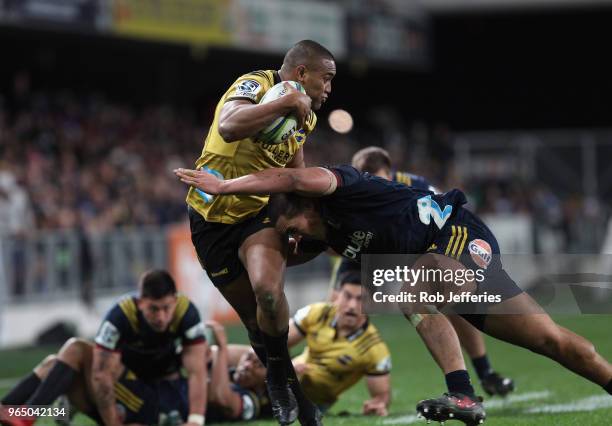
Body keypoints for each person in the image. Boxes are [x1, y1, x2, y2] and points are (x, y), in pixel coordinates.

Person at [174, 164, 612, 425]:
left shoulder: (338, 186)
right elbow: (282, 270)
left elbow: (289, 175)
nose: (290, 243)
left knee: (409, 288)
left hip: (458, 234)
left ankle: (463, 393)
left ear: (305, 207)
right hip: (435, 262)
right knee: (551, 340)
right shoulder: (321, 238)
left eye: (290, 231)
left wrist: (226, 186)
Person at [185, 39, 335, 425]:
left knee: (268, 293)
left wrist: (301, 215)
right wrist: (284, 102)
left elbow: (294, 171)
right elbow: (229, 126)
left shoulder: (308, 119)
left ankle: (281, 386)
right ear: (301, 73)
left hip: (257, 216)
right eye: (326, 78)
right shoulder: (255, 83)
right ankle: (289, 388)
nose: (329, 88)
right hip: (209, 220)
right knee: (254, 322)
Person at [329, 146, 515, 398]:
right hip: (365, 251)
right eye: (366, 180)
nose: (371, 186)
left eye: (378, 180)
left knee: (454, 305)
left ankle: (484, 373)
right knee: (340, 301)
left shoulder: (415, 185)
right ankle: (327, 372)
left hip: (413, 249)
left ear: (391, 174)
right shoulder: (348, 192)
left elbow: (446, 217)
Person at [0, 270, 208, 426]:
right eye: (154, 309)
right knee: (55, 365)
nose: (161, 316)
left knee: (76, 350)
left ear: (174, 300)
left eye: (166, 308)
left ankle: (29, 414)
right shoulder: (121, 315)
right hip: (118, 395)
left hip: (155, 400)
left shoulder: (186, 313)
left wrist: (196, 420)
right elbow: (100, 376)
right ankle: (8, 409)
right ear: (140, 302)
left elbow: (197, 371)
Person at [289, 270, 391, 415]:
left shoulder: (374, 348)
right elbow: (274, 345)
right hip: (281, 381)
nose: (352, 306)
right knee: (250, 355)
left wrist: (378, 405)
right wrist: (287, 368)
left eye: (360, 299)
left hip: (310, 403)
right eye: (347, 296)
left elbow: (381, 398)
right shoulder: (317, 313)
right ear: (337, 295)